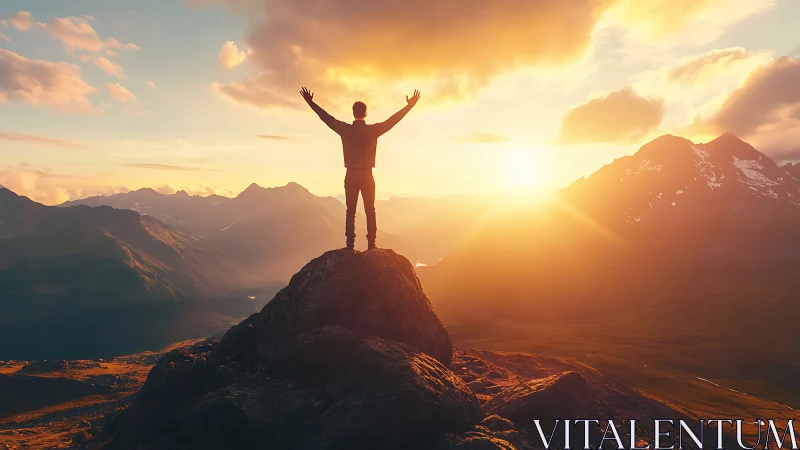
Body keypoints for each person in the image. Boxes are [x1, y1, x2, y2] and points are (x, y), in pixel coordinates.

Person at [300, 86, 421, 250]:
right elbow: (393, 121)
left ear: (353, 113)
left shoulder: (345, 129)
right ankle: (371, 244)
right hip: (367, 175)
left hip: (350, 175)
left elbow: (327, 118)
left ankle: (350, 245)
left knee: (350, 211)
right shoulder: (373, 130)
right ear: (366, 113)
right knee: (370, 210)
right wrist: (409, 106)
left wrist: (311, 103)